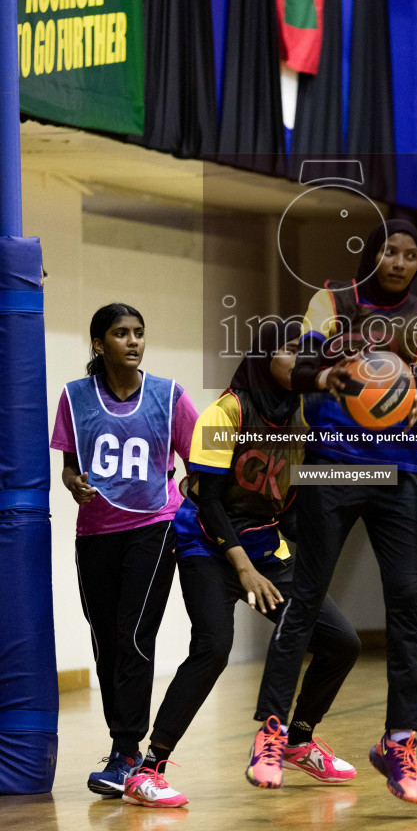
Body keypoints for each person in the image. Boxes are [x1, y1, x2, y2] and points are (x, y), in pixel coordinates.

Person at [247, 219, 417, 805]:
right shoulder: (332, 301)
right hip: (332, 465)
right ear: (373, 253)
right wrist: (326, 375)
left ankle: (399, 742)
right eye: (391, 250)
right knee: (306, 598)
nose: (400, 262)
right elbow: (288, 366)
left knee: (407, 607)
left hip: (398, 473)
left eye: (411, 255)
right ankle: (271, 734)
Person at [123, 322, 360, 808]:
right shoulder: (225, 410)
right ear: (263, 357)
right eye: (292, 353)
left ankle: (298, 740)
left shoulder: (301, 415)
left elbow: (285, 502)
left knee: (341, 642)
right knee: (213, 648)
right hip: (206, 548)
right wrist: (244, 570)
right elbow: (209, 501)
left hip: (262, 545)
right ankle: (147, 770)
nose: (303, 364)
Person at [50, 303, 198, 797]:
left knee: (134, 634)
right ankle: (124, 747)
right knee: (106, 639)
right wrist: (74, 484)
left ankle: (126, 750)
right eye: (120, 333)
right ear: (99, 344)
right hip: (95, 533)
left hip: (155, 527)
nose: (133, 341)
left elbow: (201, 456)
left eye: (138, 333)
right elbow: (70, 467)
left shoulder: (169, 396)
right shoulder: (74, 398)